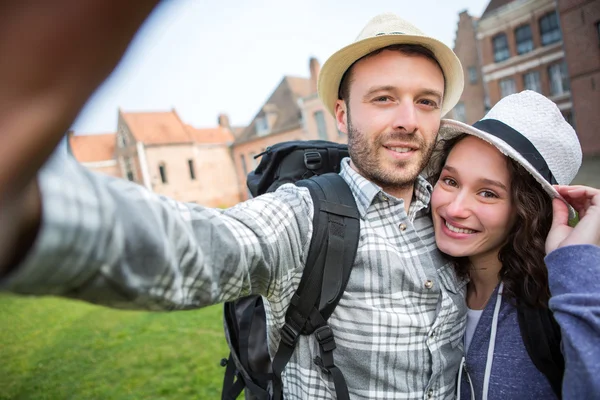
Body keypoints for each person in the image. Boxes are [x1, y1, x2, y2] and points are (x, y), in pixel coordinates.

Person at [0, 10, 469, 400]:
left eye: (426, 102)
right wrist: (34, 212)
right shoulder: (304, 216)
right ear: (343, 114)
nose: (409, 120)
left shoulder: (452, 217)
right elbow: (197, 247)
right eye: (384, 99)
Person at [428, 90, 600, 399]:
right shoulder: (425, 279)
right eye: (450, 181)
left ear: (526, 211)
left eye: (488, 193)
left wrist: (574, 263)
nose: (454, 209)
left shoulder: (559, 302)